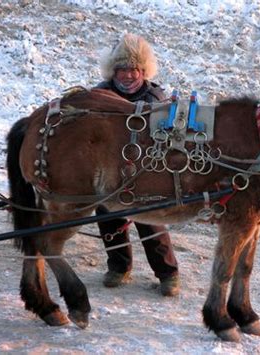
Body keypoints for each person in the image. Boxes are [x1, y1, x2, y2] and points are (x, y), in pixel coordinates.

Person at [95, 33, 180, 296]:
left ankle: (168, 274)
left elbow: (166, 137)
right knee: (108, 215)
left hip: (145, 171)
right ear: (113, 71)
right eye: (122, 70)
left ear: (143, 70)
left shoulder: (155, 97)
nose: (128, 76)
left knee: (149, 219)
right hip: (109, 168)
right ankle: (119, 267)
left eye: (134, 69)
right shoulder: (100, 94)